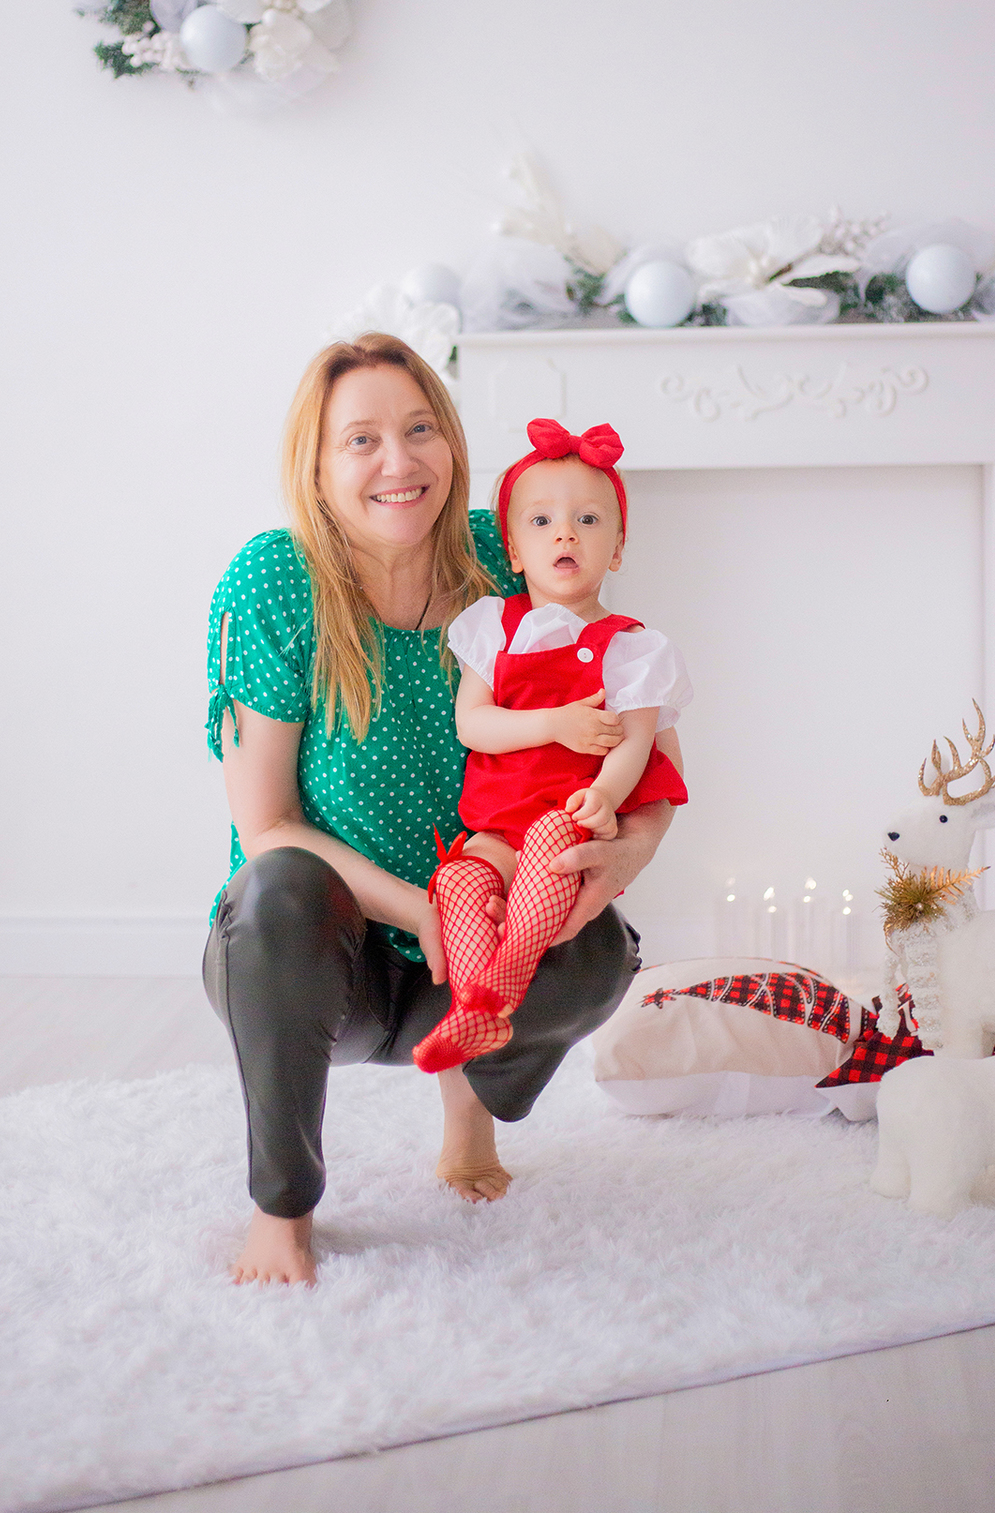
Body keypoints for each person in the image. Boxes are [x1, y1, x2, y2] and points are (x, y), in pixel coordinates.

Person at [203, 334, 681, 1287]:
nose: (398, 461)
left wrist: (628, 855)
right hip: (320, 956)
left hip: (485, 935)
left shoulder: (509, 553)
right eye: (362, 440)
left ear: (454, 445)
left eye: (420, 429)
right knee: (279, 885)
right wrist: (421, 911)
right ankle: (283, 1209)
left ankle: (473, 1116)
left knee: (597, 946)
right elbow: (267, 827)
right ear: (319, 465)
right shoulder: (276, 579)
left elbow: (643, 738)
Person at [412, 419, 691, 1073]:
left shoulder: (633, 649)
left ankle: (504, 979)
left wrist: (605, 795)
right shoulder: (492, 628)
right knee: (458, 881)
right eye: (541, 522)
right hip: (493, 830)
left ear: (618, 549)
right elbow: (473, 725)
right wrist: (553, 724)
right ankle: (474, 1010)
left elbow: (637, 741)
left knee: (551, 845)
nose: (565, 532)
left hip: (563, 820)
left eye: (589, 520)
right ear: (512, 550)